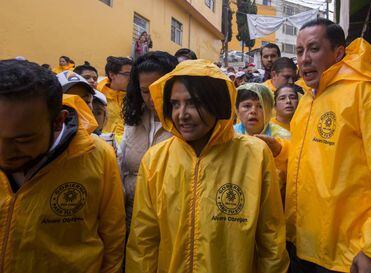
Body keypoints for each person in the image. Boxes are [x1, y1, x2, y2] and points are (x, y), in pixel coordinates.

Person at [259, 18, 371, 273]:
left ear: (338, 52)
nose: (304, 58)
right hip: (303, 245)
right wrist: (279, 150)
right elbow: (311, 157)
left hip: (351, 255)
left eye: (314, 48)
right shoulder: (308, 98)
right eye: (299, 51)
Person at [125, 59, 289, 273]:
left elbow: (271, 240)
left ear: (217, 103)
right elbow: (143, 241)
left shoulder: (255, 155)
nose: (182, 114)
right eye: (175, 104)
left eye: (193, 103)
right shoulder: (155, 159)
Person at [0, 59, 125, 272]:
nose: (4, 153)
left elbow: (113, 239)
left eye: (22, 141)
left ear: (58, 121)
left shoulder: (97, 156)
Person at [120, 51, 177, 229]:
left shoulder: (184, 124)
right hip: (132, 218)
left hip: (170, 221)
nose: (152, 98)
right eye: (145, 91)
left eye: (158, 89)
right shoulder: (134, 121)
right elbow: (123, 168)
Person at [97, 56, 133, 141]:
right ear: (112, 75)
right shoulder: (98, 96)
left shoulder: (136, 97)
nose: (132, 78)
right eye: (127, 74)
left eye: (133, 74)